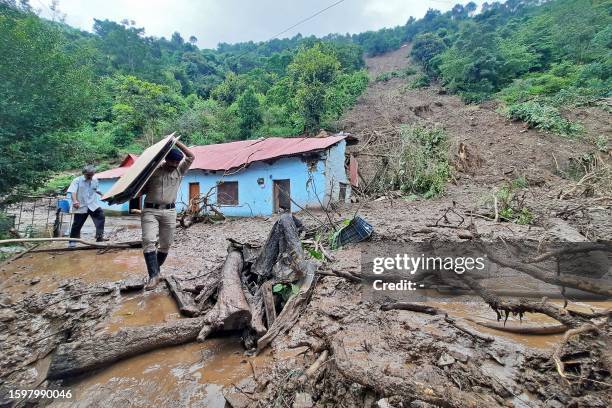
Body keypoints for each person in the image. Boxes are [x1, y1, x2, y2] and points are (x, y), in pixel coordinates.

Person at [141, 141, 194, 290]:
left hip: (170, 212)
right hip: (150, 210)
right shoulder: (153, 170)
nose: (175, 165)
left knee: (166, 244)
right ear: (166, 160)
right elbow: (141, 187)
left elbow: (191, 156)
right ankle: (153, 276)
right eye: (172, 162)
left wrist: (176, 142)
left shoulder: (179, 170)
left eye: (177, 162)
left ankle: (155, 272)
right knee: (148, 240)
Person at [67, 165, 107, 245]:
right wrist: (75, 201)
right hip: (81, 205)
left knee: (101, 216)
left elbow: (96, 189)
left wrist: (102, 194)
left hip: (92, 204)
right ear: (84, 173)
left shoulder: (95, 180)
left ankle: (99, 237)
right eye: (88, 175)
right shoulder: (77, 180)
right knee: (77, 223)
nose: (90, 176)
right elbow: (73, 191)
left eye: (92, 174)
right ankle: (72, 241)